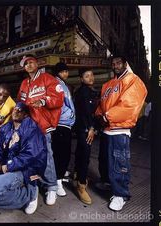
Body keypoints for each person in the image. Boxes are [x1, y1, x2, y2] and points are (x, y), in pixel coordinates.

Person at [95, 55, 147, 211]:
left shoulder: (133, 80)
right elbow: (102, 104)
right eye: (113, 63)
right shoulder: (107, 85)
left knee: (119, 162)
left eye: (118, 62)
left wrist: (107, 116)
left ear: (125, 64)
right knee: (104, 159)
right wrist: (98, 115)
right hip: (106, 129)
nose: (115, 65)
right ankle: (108, 183)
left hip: (120, 128)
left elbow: (130, 104)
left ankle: (121, 194)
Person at [17, 54, 64, 205]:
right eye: (26, 64)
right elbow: (20, 102)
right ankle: (36, 184)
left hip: (44, 125)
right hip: (29, 126)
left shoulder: (47, 78)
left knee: (47, 156)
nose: (29, 65)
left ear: (36, 63)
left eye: (31, 62)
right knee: (31, 156)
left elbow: (58, 98)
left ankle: (51, 187)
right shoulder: (24, 83)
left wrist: (43, 100)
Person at [73, 69, 99, 205]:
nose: (91, 77)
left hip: (84, 128)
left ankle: (77, 175)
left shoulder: (89, 91)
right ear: (82, 79)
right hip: (85, 129)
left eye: (92, 74)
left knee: (80, 152)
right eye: (87, 76)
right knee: (85, 155)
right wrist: (90, 128)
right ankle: (81, 185)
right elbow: (85, 113)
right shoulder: (83, 92)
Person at [51, 62, 75, 197]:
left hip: (64, 123)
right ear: (58, 72)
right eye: (63, 71)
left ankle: (59, 174)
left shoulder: (62, 84)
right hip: (61, 123)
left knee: (62, 153)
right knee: (62, 153)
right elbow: (58, 104)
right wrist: (69, 115)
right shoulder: (57, 84)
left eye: (67, 71)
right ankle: (57, 181)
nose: (66, 73)